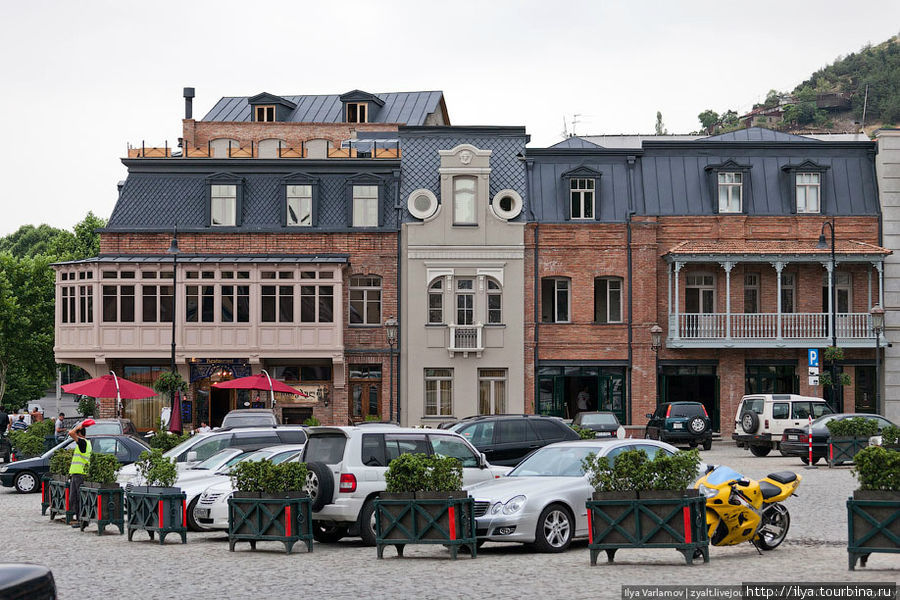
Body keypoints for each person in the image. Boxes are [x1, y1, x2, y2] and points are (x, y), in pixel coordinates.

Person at [68, 419, 93, 527]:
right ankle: (80, 518)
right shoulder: (85, 443)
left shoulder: (83, 442)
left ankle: (81, 520)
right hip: (77, 473)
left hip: (80, 474)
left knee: (78, 497)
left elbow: (71, 433)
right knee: (74, 498)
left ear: (79, 434)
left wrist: (80, 426)